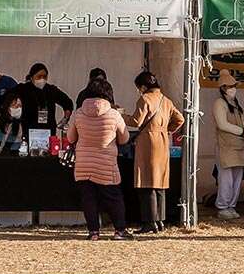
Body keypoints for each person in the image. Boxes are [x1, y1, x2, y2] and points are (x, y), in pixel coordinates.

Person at [67, 76, 132, 240]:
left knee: (88, 198)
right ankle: (119, 231)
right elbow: (125, 138)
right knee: (113, 197)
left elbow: (70, 138)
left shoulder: (78, 113)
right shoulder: (114, 114)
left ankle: (93, 232)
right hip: (106, 163)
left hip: (83, 163)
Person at [129, 71, 184, 233]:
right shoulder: (166, 100)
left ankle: (149, 221)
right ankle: (160, 221)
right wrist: (166, 130)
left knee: (146, 183)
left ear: (144, 87)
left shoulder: (145, 99)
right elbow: (180, 119)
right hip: (162, 141)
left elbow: (135, 121)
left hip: (148, 142)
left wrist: (120, 115)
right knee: (160, 183)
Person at [210, 71, 244, 220]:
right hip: (225, 145)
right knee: (226, 178)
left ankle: (231, 205)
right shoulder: (219, 103)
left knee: (237, 178)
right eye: (230, 86)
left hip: (238, 144)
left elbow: (242, 120)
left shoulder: (235, 103)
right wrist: (241, 131)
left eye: (234, 86)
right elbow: (222, 124)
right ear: (223, 88)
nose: (233, 88)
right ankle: (223, 206)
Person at [21, 62, 74, 139]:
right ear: (32, 77)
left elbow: (67, 102)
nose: (42, 79)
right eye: (39, 76)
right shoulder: (24, 90)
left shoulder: (51, 90)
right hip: (29, 131)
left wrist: (65, 118)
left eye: (44, 77)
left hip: (48, 131)